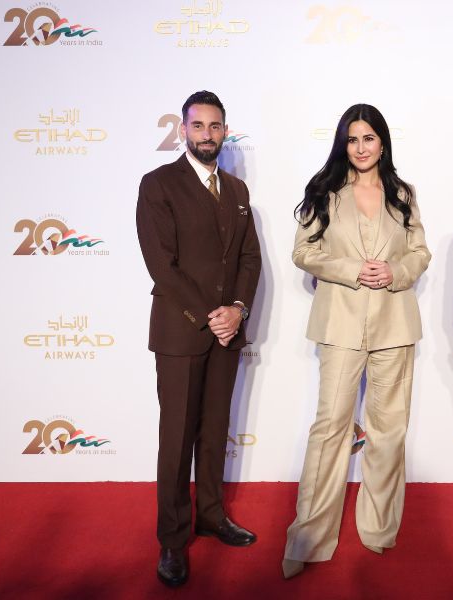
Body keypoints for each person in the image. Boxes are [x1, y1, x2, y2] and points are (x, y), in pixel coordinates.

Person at [283, 104, 431, 579]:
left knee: (389, 431)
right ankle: (308, 538)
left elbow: (420, 252)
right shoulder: (324, 190)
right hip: (340, 324)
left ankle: (378, 529)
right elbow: (303, 251)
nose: (361, 147)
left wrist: (395, 271)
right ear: (343, 144)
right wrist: (351, 269)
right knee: (330, 428)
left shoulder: (403, 193)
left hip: (395, 325)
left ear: (382, 143)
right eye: (353, 139)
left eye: (369, 138)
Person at [136, 90, 261, 588]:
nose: (206, 134)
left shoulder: (237, 189)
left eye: (214, 126)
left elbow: (249, 259)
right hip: (182, 332)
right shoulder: (158, 184)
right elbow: (161, 265)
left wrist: (238, 310)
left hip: (226, 333)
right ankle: (172, 539)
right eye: (197, 125)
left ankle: (211, 515)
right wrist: (212, 315)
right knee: (177, 439)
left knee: (214, 432)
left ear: (225, 131)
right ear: (182, 129)